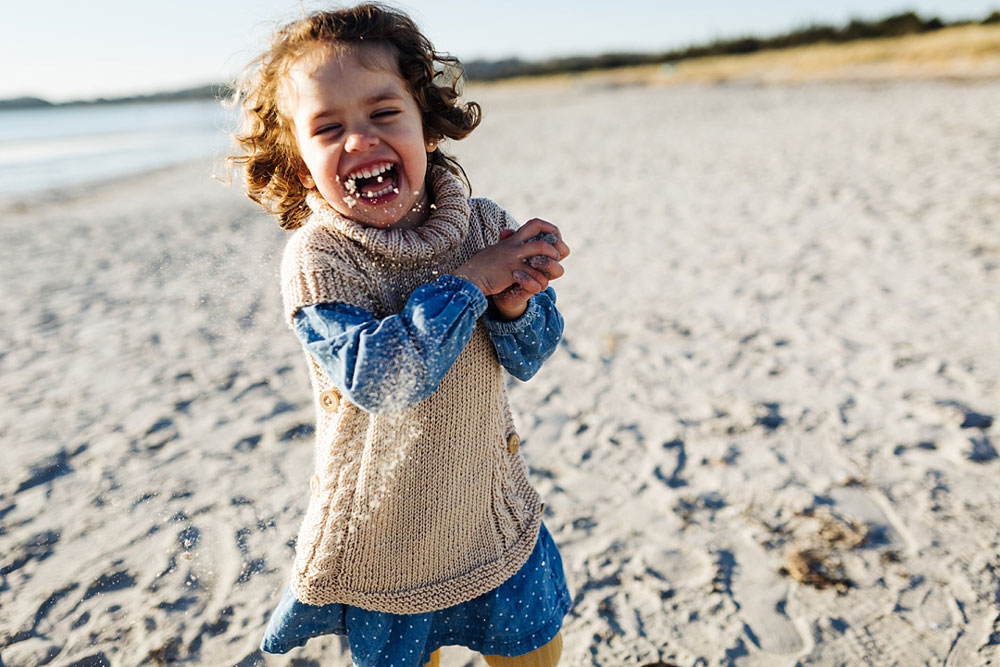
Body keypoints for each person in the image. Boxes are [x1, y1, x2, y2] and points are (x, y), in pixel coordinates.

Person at [228, 4, 571, 666]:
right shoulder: (320, 261)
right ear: (301, 166)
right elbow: (383, 380)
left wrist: (515, 303)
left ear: (427, 128)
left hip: (488, 512)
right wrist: (470, 282)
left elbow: (530, 356)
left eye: (384, 114)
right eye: (328, 128)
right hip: (385, 542)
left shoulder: (483, 226)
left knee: (535, 654)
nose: (359, 140)